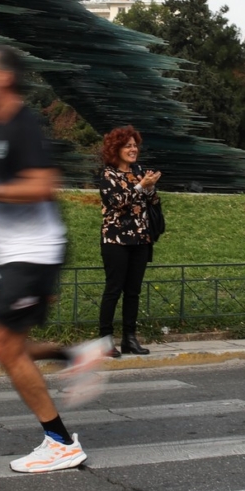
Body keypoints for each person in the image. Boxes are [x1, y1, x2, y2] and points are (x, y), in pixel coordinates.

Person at [0, 45, 109, 474]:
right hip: (8, 252)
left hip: (34, 256)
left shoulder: (22, 124)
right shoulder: (0, 129)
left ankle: (60, 442)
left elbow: (43, 185)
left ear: (1, 78)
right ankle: (74, 355)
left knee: (5, 345)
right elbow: (18, 192)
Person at [97, 125, 162, 356]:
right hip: (115, 240)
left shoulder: (139, 171)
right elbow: (116, 203)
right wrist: (139, 186)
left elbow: (152, 203)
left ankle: (129, 339)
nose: (133, 149)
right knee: (114, 290)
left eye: (135, 145)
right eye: (128, 146)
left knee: (133, 292)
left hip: (141, 239)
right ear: (117, 149)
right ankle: (105, 340)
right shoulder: (108, 174)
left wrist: (151, 188)